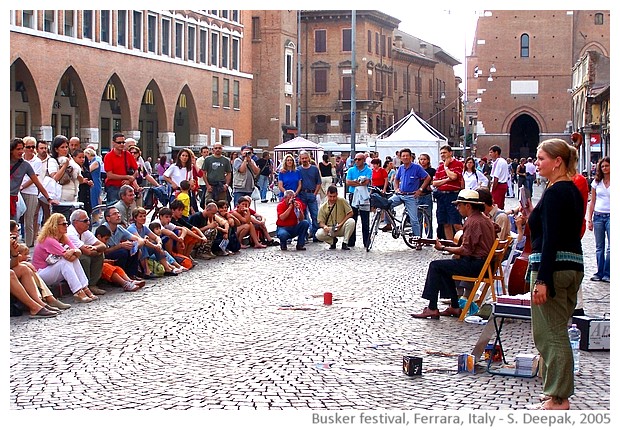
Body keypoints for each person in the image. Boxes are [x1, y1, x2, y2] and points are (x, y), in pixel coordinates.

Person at [527, 138, 584, 411]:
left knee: (551, 333)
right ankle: (553, 391)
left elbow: (550, 238)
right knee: (554, 330)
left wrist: (542, 280)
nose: (537, 163)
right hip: (571, 266)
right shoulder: (571, 189)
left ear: (557, 161)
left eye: (541, 159)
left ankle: (559, 397)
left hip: (553, 268)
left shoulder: (555, 192)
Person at [411, 189, 496, 319]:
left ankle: (432, 308)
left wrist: (444, 248)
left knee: (435, 266)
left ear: (468, 206)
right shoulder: (483, 219)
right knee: (444, 268)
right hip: (484, 264)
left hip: (477, 265)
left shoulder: (472, 221)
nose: (457, 208)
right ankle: (454, 306)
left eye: (459, 205)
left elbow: (465, 250)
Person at [32, 213, 97, 303]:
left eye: (66, 223)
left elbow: (78, 252)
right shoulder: (49, 240)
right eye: (63, 224)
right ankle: (78, 291)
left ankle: (85, 288)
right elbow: (68, 256)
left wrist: (73, 251)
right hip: (41, 273)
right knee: (64, 262)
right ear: (55, 226)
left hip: (52, 269)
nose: (66, 226)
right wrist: (73, 252)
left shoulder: (63, 237)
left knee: (74, 260)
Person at [384, 148, 430, 238]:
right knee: (386, 204)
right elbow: (396, 179)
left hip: (411, 196)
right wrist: (396, 189)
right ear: (400, 158)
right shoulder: (401, 168)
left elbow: (427, 177)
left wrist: (420, 190)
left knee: (414, 220)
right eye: (403, 156)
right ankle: (389, 224)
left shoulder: (417, 167)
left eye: (407, 156)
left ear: (410, 157)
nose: (405, 157)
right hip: (400, 194)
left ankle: (418, 240)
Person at [10, 138, 58, 223]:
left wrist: (49, 198)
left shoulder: (25, 165)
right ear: (11, 150)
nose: (21, 151)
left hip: (13, 200)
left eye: (22, 148)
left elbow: (37, 182)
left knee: (13, 225)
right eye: (18, 149)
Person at [128, 207, 180, 276]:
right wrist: (155, 246)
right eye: (140, 216)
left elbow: (156, 237)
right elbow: (141, 240)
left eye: (144, 216)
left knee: (155, 245)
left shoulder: (144, 228)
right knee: (143, 245)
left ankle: (167, 268)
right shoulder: (132, 228)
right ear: (135, 218)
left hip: (143, 249)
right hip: (133, 251)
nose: (143, 218)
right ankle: (147, 270)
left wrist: (159, 244)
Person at [66, 209, 107, 295]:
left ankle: (92, 284)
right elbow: (87, 252)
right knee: (85, 258)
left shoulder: (86, 232)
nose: (88, 223)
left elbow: (103, 245)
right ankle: (85, 286)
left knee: (100, 255)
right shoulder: (71, 233)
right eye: (85, 221)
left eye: (88, 220)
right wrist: (97, 250)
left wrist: (94, 248)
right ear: (75, 222)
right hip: (68, 258)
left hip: (80, 254)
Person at [93, 225, 145, 291]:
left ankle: (130, 280)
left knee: (117, 268)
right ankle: (124, 283)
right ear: (99, 237)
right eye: (106, 239)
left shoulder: (119, 229)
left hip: (103, 262)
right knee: (108, 268)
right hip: (98, 265)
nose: (107, 241)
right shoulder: (95, 244)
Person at [101, 206, 145, 280]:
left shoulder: (119, 228)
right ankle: (120, 276)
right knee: (123, 251)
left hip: (117, 251)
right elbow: (104, 251)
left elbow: (137, 239)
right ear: (108, 218)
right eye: (114, 214)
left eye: (118, 213)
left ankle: (131, 274)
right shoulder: (103, 229)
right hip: (106, 254)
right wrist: (120, 246)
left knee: (132, 248)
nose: (118, 216)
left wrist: (136, 245)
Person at [432, 145, 464, 241]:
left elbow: (454, 177)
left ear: (450, 153)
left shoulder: (457, 164)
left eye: (444, 152)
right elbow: (434, 183)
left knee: (456, 223)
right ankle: (450, 245)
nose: (442, 155)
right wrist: (447, 180)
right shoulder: (439, 167)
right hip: (442, 195)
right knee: (445, 223)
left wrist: (446, 167)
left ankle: (464, 244)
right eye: (441, 153)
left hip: (453, 195)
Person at [586, 156, 610, 283]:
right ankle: (599, 272)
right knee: (599, 246)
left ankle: (608, 273)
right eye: (603, 166)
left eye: (607, 165)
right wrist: (589, 219)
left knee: (611, 247)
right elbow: (592, 201)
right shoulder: (596, 182)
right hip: (599, 216)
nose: (605, 168)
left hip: (611, 215)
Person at [18, 136, 44, 247]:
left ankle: (28, 244)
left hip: (31, 191)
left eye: (33, 147)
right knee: (16, 217)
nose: (31, 149)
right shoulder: (19, 159)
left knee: (29, 219)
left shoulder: (37, 161)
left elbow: (34, 178)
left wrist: (22, 186)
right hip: (18, 191)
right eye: (28, 147)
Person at [316, 185, 355, 250]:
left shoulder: (342, 201)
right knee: (318, 234)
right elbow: (320, 222)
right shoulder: (323, 207)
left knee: (351, 221)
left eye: (334, 196)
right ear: (327, 194)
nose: (332, 199)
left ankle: (345, 243)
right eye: (330, 196)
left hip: (341, 226)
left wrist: (341, 224)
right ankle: (332, 241)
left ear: (337, 194)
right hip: (330, 229)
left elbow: (350, 213)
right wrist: (325, 227)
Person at [103, 133, 140, 203]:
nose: (122, 144)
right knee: (113, 208)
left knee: (129, 209)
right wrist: (127, 177)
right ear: (113, 143)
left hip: (127, 187)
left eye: (123, 142)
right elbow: (109, 175)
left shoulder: (128, 154)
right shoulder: (108, 156)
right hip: (113, 187)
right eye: (119, 142)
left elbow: (136, 169)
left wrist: (130, 179)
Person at [297, 151, 322, 241]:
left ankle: (315, 234)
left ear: (309, 158)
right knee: (303, 216)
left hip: (312, 193)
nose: (304, 160)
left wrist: (314, 193)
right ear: (300, 159)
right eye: (302, 158)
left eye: (305, 158)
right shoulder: (298, 170)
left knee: (315, 215)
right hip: (302, 194)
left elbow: (318, 182)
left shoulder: (314, 169)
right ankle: (305, 234)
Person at [417, 153, 435, 237]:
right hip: (418, 196)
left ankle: (429, 237)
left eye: (424, 159)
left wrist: (430, 185)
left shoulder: (432, 171)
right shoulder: (417, 170)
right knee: (418, 218)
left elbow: (434, 180)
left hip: (427, 195)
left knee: (428, 217)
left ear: (428, 160)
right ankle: (418, 236)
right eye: (421, 159)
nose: (422, 161)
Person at [73, 148, 93, 215]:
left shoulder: (85, 168)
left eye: (83, 157)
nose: (82, 159)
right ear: (74, 158)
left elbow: (90, 179)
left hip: (86, 196)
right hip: (79, 195)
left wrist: (90, 183)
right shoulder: (73, 168)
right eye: (80, 157)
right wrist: (82, 181)